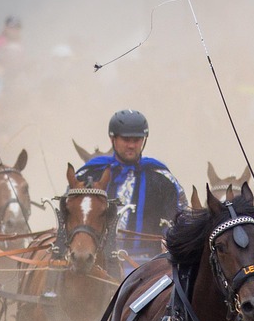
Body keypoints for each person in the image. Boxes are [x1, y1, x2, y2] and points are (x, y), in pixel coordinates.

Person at [74, 109, 183, 260]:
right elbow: (71, 216)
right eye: (126, 140)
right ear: (113, 139)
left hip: (148, 266)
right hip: (95, 264)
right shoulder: (88, 175)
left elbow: (180, 219)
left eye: (136, 140)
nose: (131, 145)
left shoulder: (163, 180)